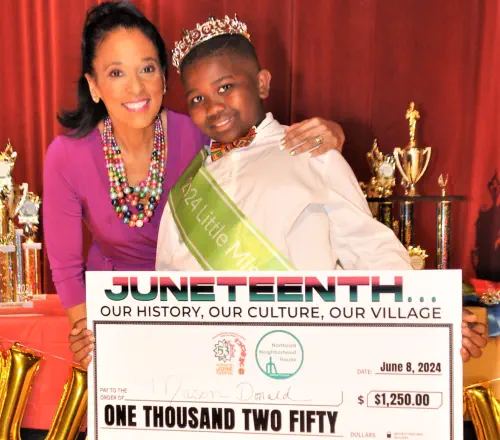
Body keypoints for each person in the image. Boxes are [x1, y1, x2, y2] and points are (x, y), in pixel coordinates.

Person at [155, 15, 487, 362]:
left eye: (225, 87)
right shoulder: (188, 187)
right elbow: (168, 283)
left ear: (262, 83)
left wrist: (435, 318)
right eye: (197, 98)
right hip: (212, 361)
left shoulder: (311, 153)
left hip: (302, 355)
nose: (213, 107)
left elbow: (369, 250)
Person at [43, 2, 345, 367]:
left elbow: (263, 150)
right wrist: (91, 338)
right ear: (94, 85)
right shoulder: (67, 156)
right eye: (116, 73)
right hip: (116, 311)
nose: (135, 87)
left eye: (147, 68)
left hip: (198, 311)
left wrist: (330, 134)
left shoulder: (201, 134)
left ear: (164, 77)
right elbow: (66, 268)